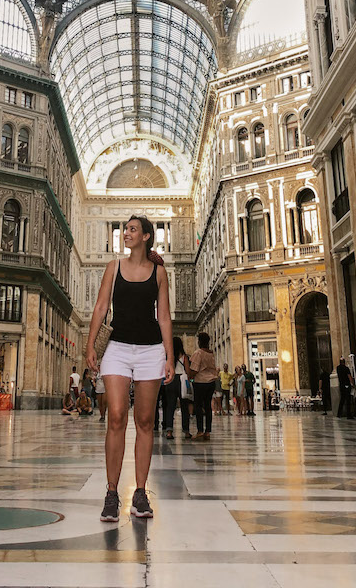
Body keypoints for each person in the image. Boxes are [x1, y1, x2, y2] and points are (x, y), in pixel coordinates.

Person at [86, 215, 174, 523]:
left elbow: (164, 316)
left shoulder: (159, 273)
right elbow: (100, 307)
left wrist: (169, 356)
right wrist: (89, 345)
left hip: (151, 350)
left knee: (146, 420)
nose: (127, 233)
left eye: (133, 229)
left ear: (147, 236)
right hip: (117, 349)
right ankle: (112, 493)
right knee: (118, 415)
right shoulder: (113, 268)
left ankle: (139, 493)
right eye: (126, 229)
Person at [189, 332, 218, 441]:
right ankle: (207, 431)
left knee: (198, 406)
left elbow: (194, 369)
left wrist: (189, 375)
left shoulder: (198, 353)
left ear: (199, 341)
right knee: (207, 406)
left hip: (200, 382)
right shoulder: (211, 353)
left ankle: (200, 430)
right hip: (211, 383)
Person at [162, 336, 189, 440]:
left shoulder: (169, 357)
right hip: (182, 380)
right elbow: (187, 370)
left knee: (170, 406)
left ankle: (169, 432)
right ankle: (186, 432)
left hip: (171, 380)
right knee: (184, 407)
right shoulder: (184, 357)